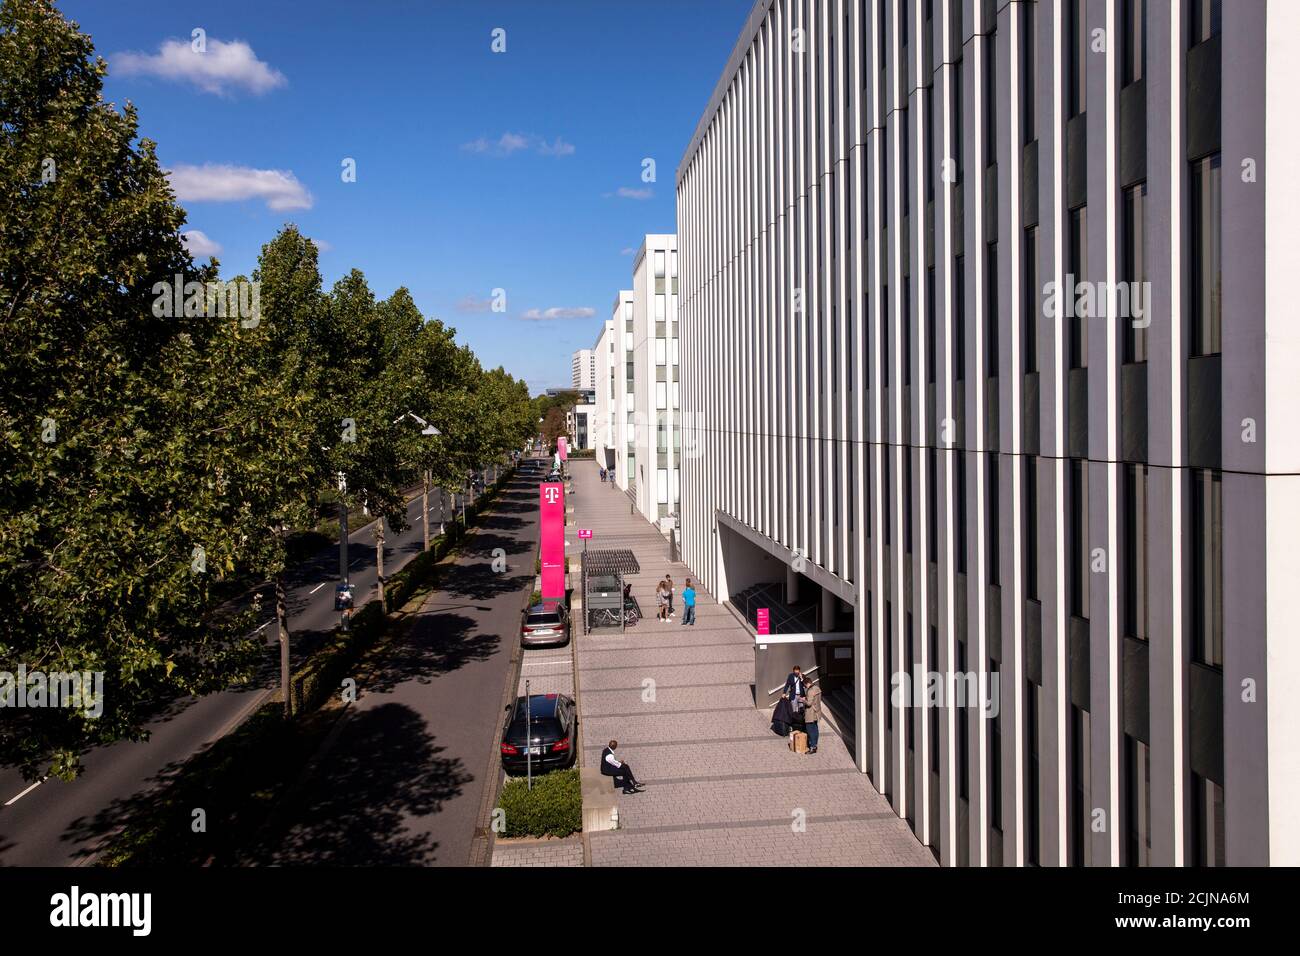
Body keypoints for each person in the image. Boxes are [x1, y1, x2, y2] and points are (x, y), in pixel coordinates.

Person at [802, 679, 822, 755]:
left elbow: (809, 703)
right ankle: (815, 745)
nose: (805, 687)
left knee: (810, 730)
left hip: (810, 713)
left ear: (807, 684)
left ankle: (812, 747)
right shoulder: (817, 688)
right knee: (815, 729)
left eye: (805, 685)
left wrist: (803, 700)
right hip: (817, 712)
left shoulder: (810, 691)